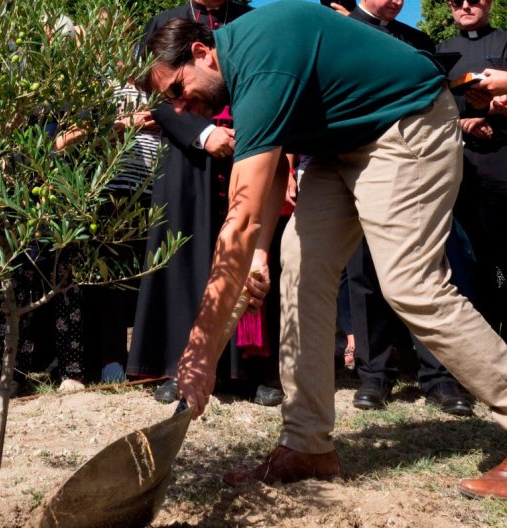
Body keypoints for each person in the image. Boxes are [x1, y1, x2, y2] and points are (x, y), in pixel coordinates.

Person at [142, 1, 507, 497]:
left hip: (407, 122)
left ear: (202, 53)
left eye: (177, 91)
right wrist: (259, 256)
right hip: (340, 146)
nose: (180, 108)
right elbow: (270, 168)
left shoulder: (260, 59)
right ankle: (307, 445)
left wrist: (199, 353)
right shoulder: (243, 71)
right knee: (299, 269)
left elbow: (241, 217)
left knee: (411, 285)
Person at [127, 0, 285, 406]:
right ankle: (177, 366)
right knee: (185, 257)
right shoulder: (164, 22)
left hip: (250, 144)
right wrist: (203, 133)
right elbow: (156, 92)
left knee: (249, 250)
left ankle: (249, 371)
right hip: (187, 156)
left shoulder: (251, 19)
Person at [340, 0, 473, 415]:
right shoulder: (341, 29)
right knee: (363, 272)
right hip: (362, 161)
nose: (399, 1)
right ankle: (374, 375)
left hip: (418, 165)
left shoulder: (419, 40)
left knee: (427, 268)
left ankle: (440, 377)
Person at [437, 0, 507, 341]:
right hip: (459, 166)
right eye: (456, 1)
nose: (465, 6)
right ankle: (483, 336)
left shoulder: (505, 40)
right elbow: (433, 107)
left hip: (502, 160)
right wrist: (464, 122)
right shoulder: (440, 51)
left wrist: (494, 112)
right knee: (471, 256)